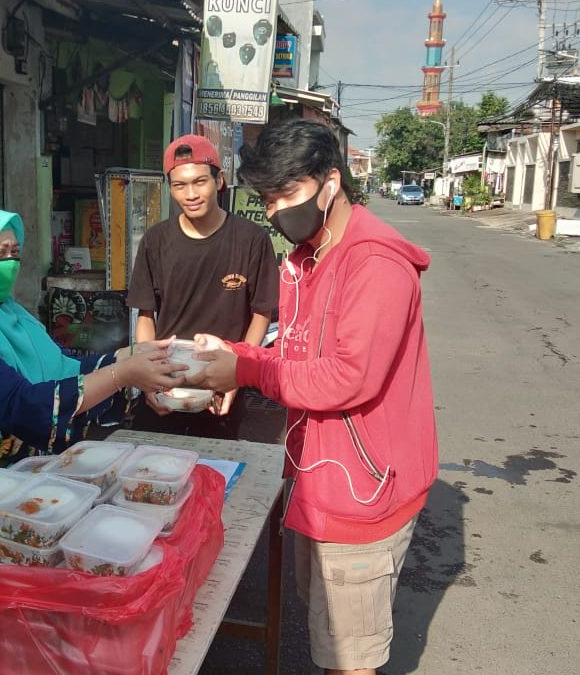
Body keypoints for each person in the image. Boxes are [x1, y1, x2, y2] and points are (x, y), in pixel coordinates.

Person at [187, 119, 438, 675]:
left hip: (364, 489)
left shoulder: (374, 264)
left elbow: (349, 378)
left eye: (288, 193)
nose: (276, 210)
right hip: (323, 478)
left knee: (350, 660)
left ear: (331, 182)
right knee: (328, 639)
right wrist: (236, 357)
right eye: (267, 198)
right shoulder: (307, 257)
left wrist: (245, 372)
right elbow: (299, 358)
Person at [0, 203, 184, 508]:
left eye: (14, 253)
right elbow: (23, 405)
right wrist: (121, 374)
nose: (10, 264)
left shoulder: (10, 314)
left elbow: (60, 367)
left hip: (25, 494)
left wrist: (124, 358)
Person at [126, 134, 279, 439]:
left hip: (221, 382)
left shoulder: (251, 240)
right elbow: (146, 315)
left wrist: (238, 373)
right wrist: (147, 377)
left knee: (217, 474)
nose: (191, 194)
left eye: (200, 182)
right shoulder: (156, 241)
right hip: (167, 379)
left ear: (219, 180)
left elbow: (261, 313)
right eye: (180, 185)